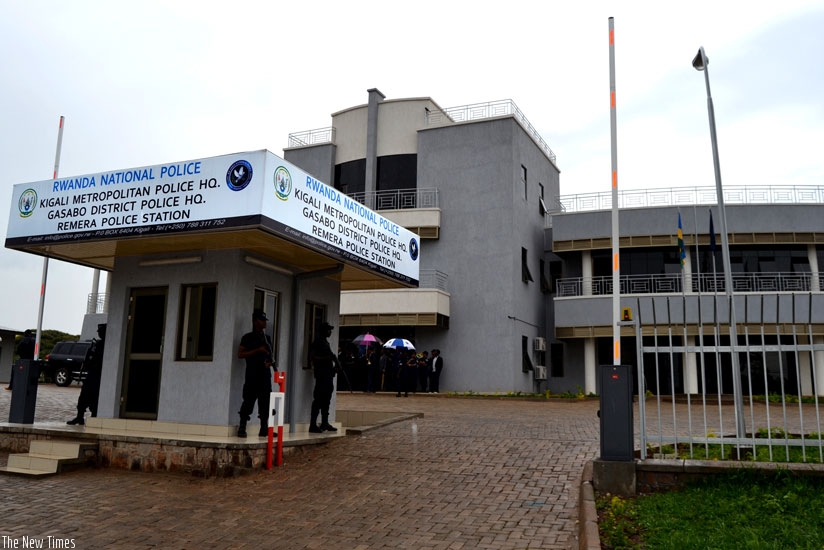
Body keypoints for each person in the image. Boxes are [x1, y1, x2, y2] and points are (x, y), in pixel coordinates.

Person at [236, 309, 275, 438]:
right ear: (255, 321)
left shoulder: (267, 338)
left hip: (265, 375)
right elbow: (240, 354)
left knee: (265, 403)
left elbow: (270, 356)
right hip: (252, 374)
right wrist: (257, 350)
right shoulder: (248, 338)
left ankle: (264, 428)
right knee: (248, 401)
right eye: (262, 320)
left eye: (265, 320)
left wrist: (269, 363)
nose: (265, 323)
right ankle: (242, 427)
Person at [67, 324, 106, 425]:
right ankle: (79, 417)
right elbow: (89, 356)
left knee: (95, 398)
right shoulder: (97, 344)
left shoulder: (106, 345)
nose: (99, 333)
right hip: (91, 374)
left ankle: (94, 417)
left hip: (99, 375)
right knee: (83, 397)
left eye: (101, 331)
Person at [309, 322, 340, 433]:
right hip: (321, 376)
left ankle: (324, 423)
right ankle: (313, 425)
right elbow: (312, 357)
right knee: (318, 400)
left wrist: (335, 367)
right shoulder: (318, 342)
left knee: (326, 400)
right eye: (328, 330)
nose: (330, 332)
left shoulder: (325, 342)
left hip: (327, 375)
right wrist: (327, 358)